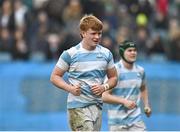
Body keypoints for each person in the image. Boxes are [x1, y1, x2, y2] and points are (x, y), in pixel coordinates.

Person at [50, 14, 117, 131]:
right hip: (77, 108)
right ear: (83, 33)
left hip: (97, 107)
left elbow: (114, 78)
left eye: (99, 33)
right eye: (93, 33)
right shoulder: (70, 54)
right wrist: (69, 88)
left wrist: (104, 87)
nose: (97, 37)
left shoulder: (107, 54)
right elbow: (54, 77)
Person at [102, 40, 151, 131]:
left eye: (134, 50)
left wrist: (146, 105)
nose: (133, 53)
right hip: (117, 123)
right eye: (129, 50)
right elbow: (104, 96)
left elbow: (143, 88)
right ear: (122, 52)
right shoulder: (115, 70)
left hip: (136, 121)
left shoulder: (140, 71)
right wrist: (123, 101)